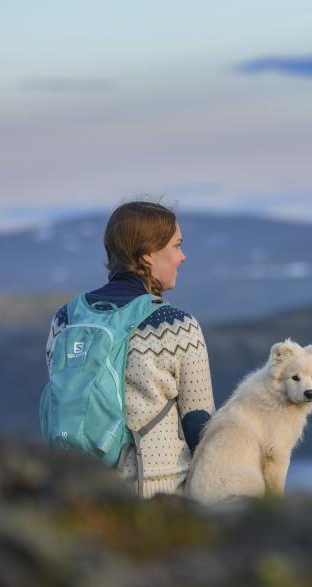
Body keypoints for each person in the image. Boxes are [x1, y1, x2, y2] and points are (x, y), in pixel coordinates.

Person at [45, 200, 215, 497]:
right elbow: (200, 425)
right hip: (157, 495)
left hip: (78, 487)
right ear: (148, 255)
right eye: (176, 246)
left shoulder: (66, 318)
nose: (182, 257)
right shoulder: (176, 325)